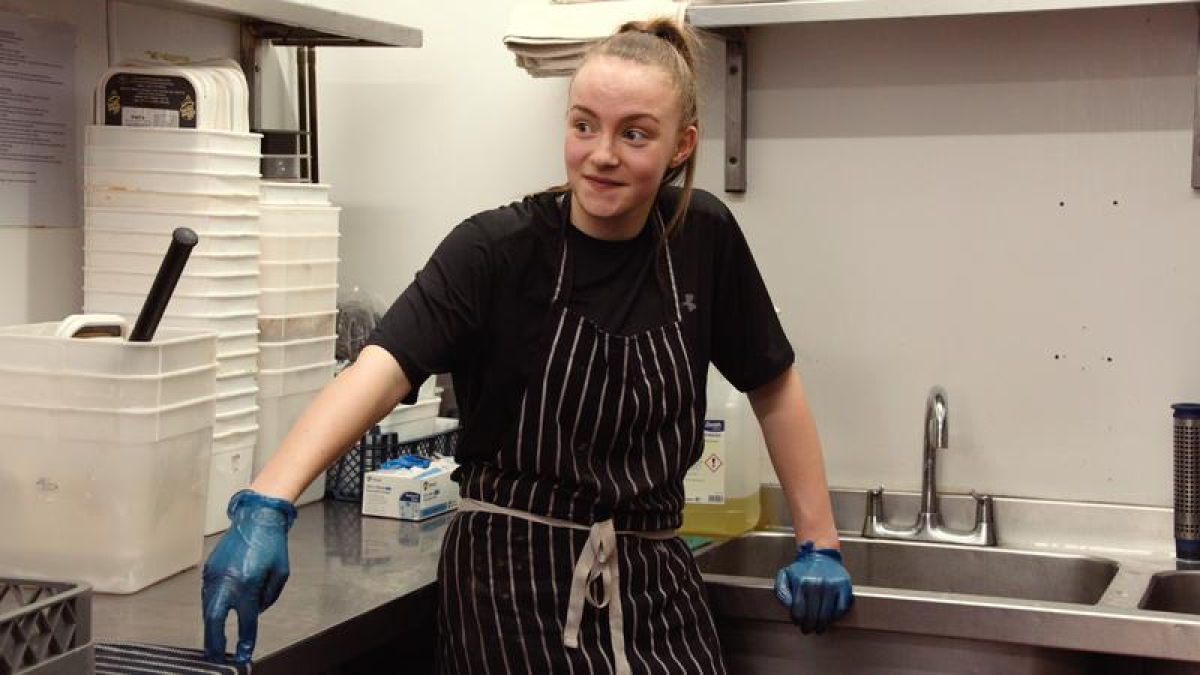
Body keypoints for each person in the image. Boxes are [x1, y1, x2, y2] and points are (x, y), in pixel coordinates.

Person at [202, 18, 854, 672]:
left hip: (656, 586)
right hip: (512, 589)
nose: (601, 153)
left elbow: (773, 384)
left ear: (681, 145)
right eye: (583, 125)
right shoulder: (496, 250)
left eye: (634, 133)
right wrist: (269, 499)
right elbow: (380, 371)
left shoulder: (702, 237)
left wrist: (818, 541)